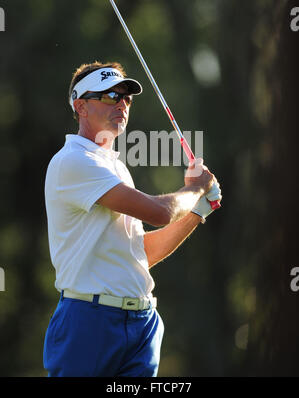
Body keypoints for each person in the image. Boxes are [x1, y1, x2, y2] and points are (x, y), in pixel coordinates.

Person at [43, 60, 222, 377]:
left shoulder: (116, 167)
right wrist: (195, 189)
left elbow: (142, 253)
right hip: (89, 320)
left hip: (142, 322)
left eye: (126, 97)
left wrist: (199, 210)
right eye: (110, 96)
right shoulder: (72, 161)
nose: (122, 103)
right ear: (80, 106)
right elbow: (160, 212)